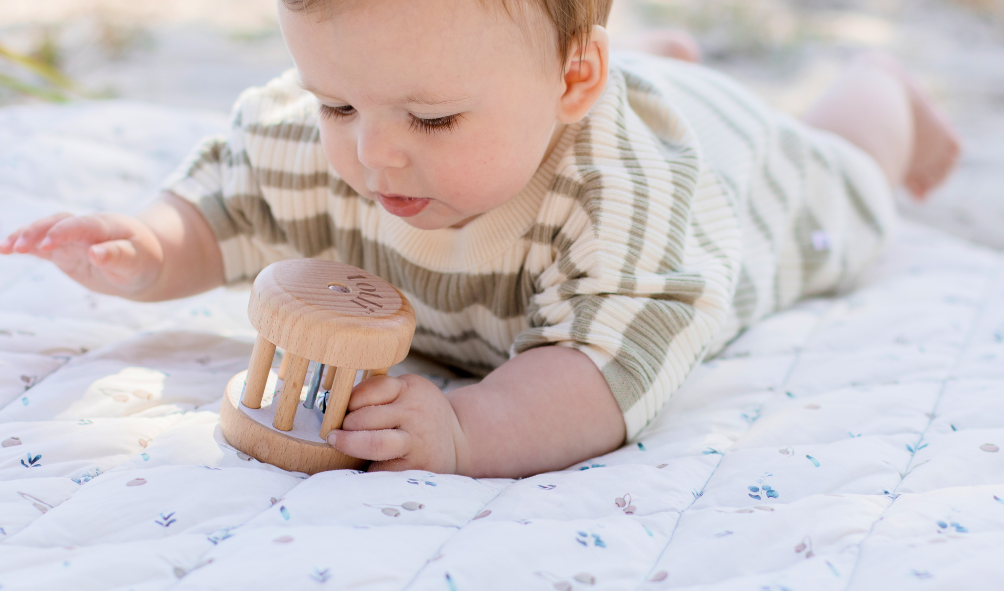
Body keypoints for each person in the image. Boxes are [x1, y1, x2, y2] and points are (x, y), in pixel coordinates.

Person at [0, 0, 959, 478]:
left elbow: (604, 365)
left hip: (753, 174)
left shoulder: (622, 204)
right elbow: (226, 203)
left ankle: (884, 92)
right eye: (337, 99)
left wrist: (469, 428)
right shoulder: (329, 134)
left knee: (848, 164)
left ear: (574, 87)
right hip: (559, 85)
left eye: (434, 120)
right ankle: (633, 58)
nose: (374, 155)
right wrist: (147, 244)